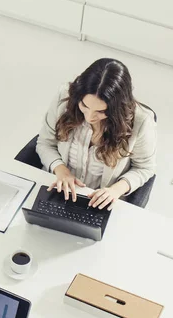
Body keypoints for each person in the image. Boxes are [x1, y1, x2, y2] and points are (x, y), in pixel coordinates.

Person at [36, 58, 157, 210]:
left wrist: (116, 190)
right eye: (84, 106)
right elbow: (45, 143)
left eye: (100, 111)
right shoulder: (64, 98)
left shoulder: (142, 122)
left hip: (99, 203)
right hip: (57, 188)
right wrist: (61, 170)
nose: (89, 117)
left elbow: (145, 168)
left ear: (116, 109)